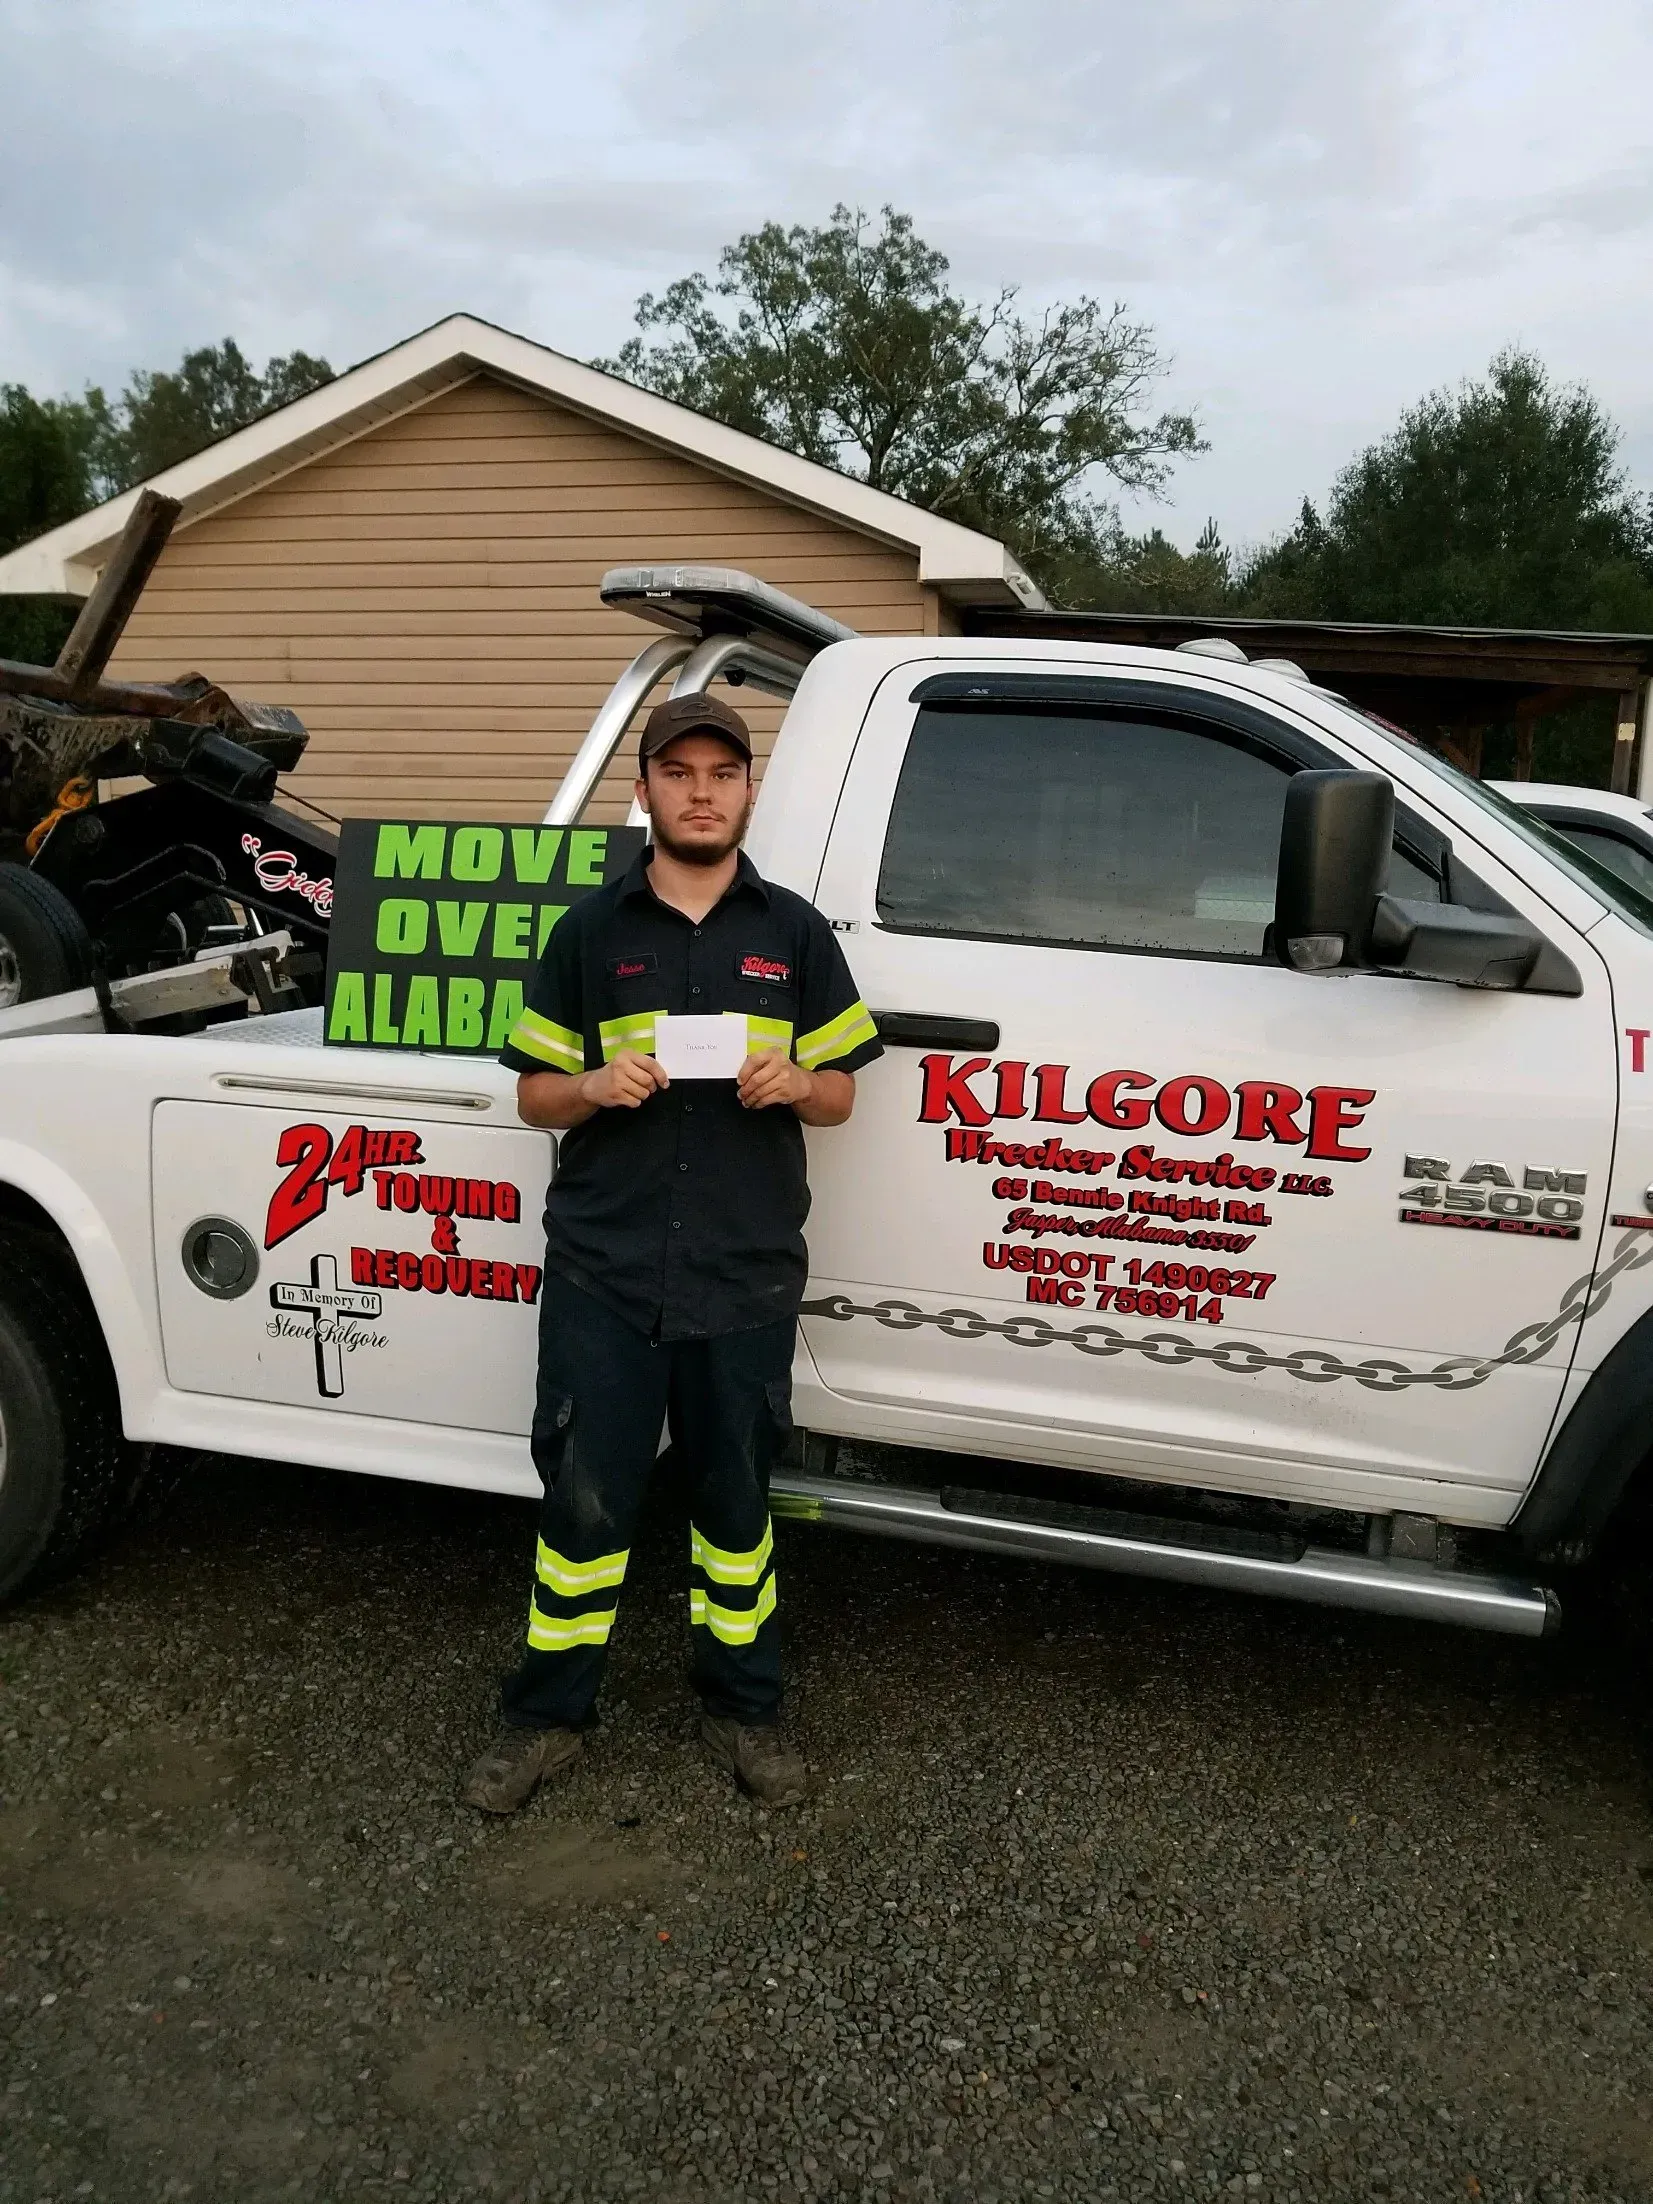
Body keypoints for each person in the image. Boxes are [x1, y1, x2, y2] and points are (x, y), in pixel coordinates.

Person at [462, 692, 882, 1814]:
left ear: (747, 791)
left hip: (741, 1272)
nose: (702, 790)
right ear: (642, 790)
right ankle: (548, 1718)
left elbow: (840, 1091)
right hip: (605, 1270)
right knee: (586, 1507)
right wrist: (591, 1086)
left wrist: (798, 1080)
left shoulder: (792, 932)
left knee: (735, 1504)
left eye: (722, 772)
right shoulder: (591, 934)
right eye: (679, 771)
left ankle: (744, 1708)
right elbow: (531, 1093)